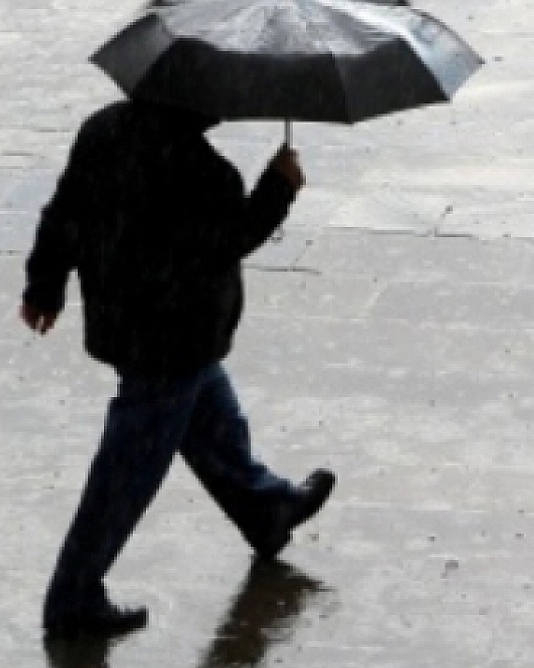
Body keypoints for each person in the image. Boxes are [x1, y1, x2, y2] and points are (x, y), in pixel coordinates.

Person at [20, 98, 336, 637]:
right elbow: (232, 239)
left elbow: (64, 213)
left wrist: (44, 284)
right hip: (175, 334)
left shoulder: (102, 129)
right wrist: (280, 186)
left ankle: (266, 508)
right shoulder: (204, 174)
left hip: (125, 323)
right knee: (128, 468)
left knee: (211, 415)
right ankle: (74, 595)